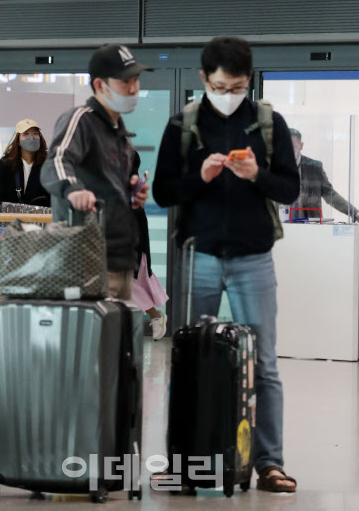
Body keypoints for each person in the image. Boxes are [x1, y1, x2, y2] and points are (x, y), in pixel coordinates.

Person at [153, 36, 299, 494]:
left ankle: (270, 464)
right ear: (204, 79)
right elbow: (163, 192)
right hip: (199, 255)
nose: (229, 92)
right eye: (220, 85)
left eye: (236, 86)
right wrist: (202, 176)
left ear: (248, 81)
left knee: (266, 364)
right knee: (189, 359)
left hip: (254, 256)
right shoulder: (183, 124)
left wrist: (257, 175)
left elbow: (291, 190)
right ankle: (182, 462)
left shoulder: (268, 123)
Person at [41, 43, 151, 300]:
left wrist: (132, 193)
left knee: (116, 339)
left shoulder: (119, 132)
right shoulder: (81, 119)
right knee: (87, 339)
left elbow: (108, 186)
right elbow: (56, 162)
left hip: (121, 258)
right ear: (101, 85)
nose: (134, 88)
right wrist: (73, 190)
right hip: (85, 262)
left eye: (136, 80)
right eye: (126, 81)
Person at [288, 128, 359, 223]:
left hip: (310, 226)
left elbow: (330, 195)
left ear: (301, 146)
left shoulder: (314, 167)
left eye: (293, 145)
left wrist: (354, 212)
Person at [0, 118, 50, 212]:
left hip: (41, 221)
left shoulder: (48, 163)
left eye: (35, 133)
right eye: (26, 134)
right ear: (18, 140)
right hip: (10, 221)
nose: (31, 137)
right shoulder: (5, 163)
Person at [131, 206, 168, 340]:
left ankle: (156, 316)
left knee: (133, 284)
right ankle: (155, 316)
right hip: (114, 242)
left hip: (130, 244)